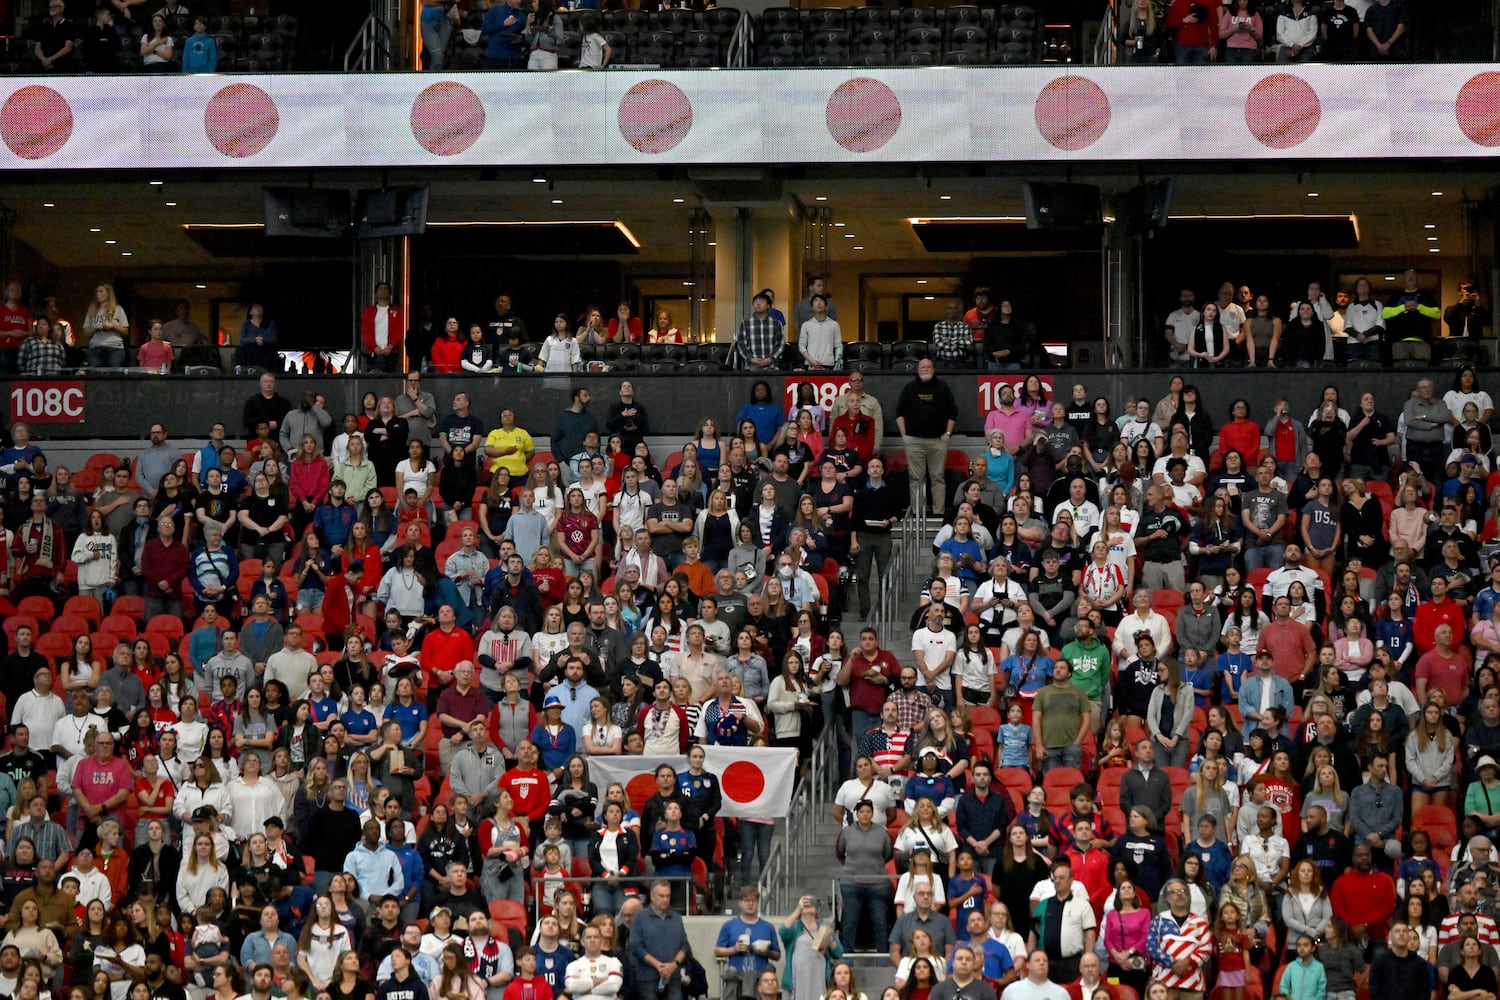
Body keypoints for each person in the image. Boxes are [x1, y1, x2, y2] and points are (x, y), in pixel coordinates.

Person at [629, 881, 690, 1000]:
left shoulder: (677, 918)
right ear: (652, 896)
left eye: (668, 896)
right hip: (647, 976)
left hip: (674, 976)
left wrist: (673, 965)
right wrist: (658, 965)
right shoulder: (639, 917)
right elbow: (636, 947)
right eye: (661, 896)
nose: (665, 900)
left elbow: (684, 945)